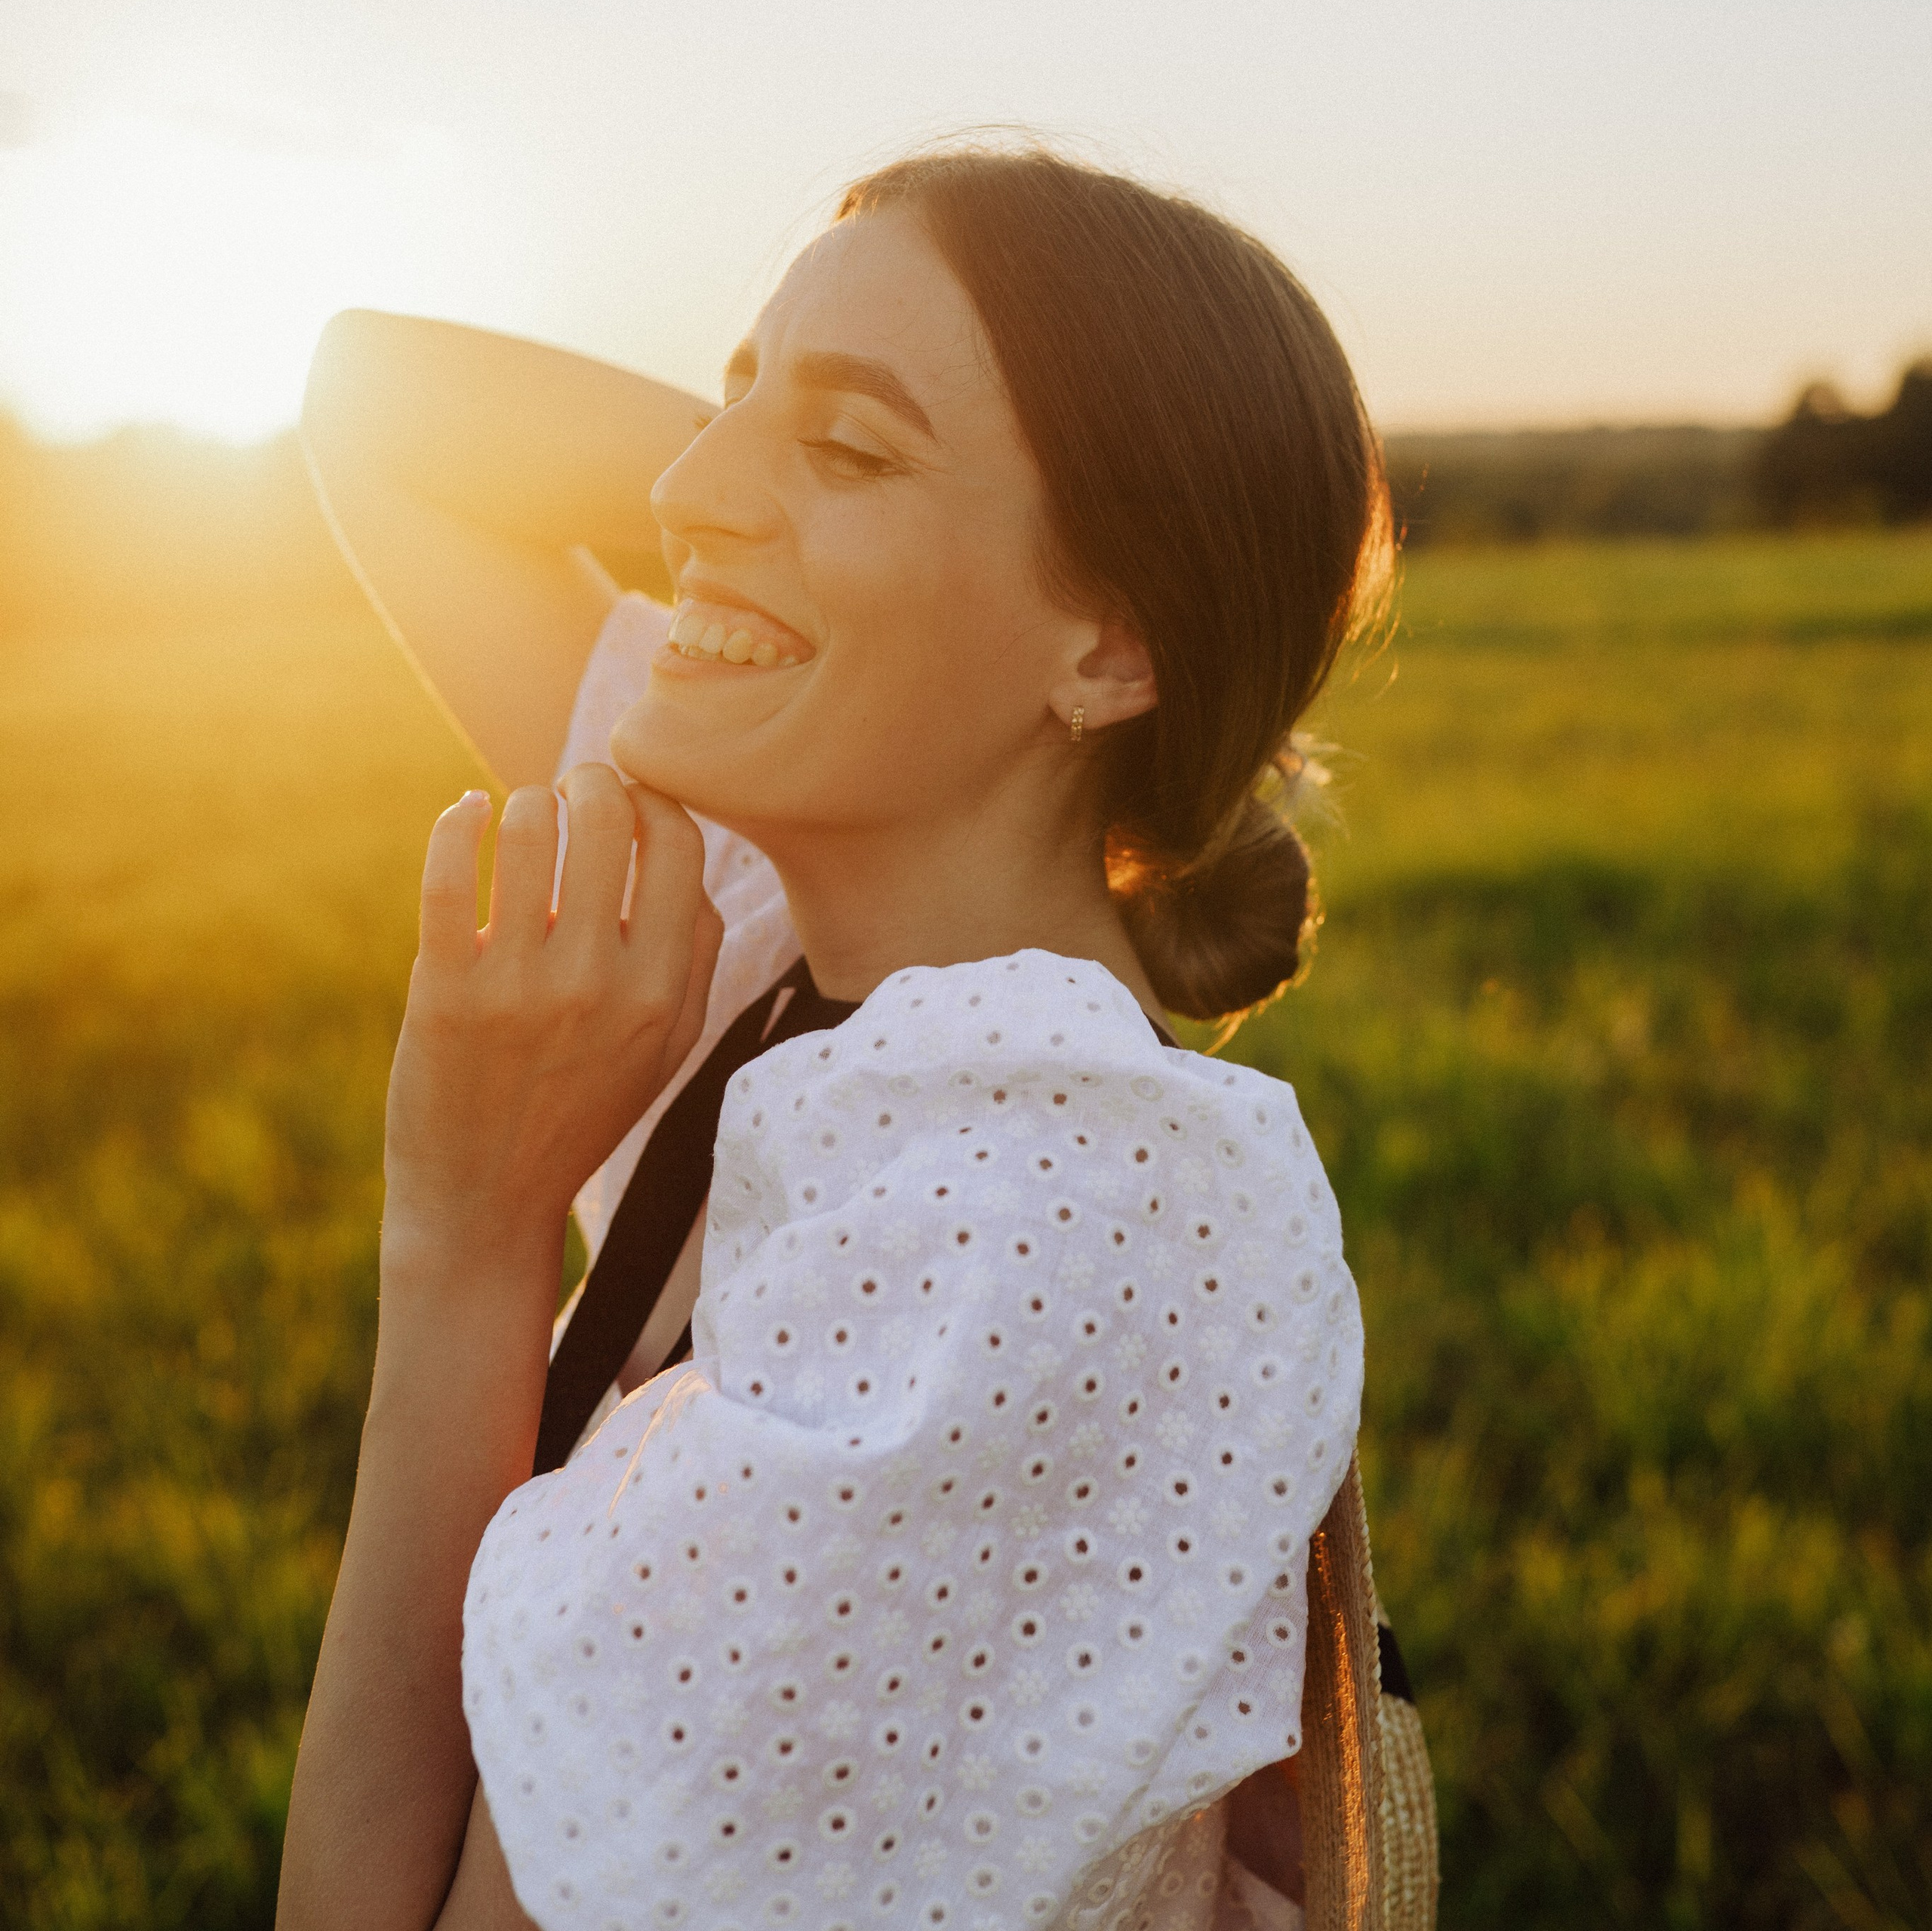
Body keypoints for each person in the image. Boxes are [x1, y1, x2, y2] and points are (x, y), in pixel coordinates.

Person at [278, 142, 1403, 1931]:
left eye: (851, 445)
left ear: (1111, 644)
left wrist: (467, 1231)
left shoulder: (1021, 1241)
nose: (675, 487)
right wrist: (806, 497)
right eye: (724, 403)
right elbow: (381, 402)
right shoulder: (782, 932)